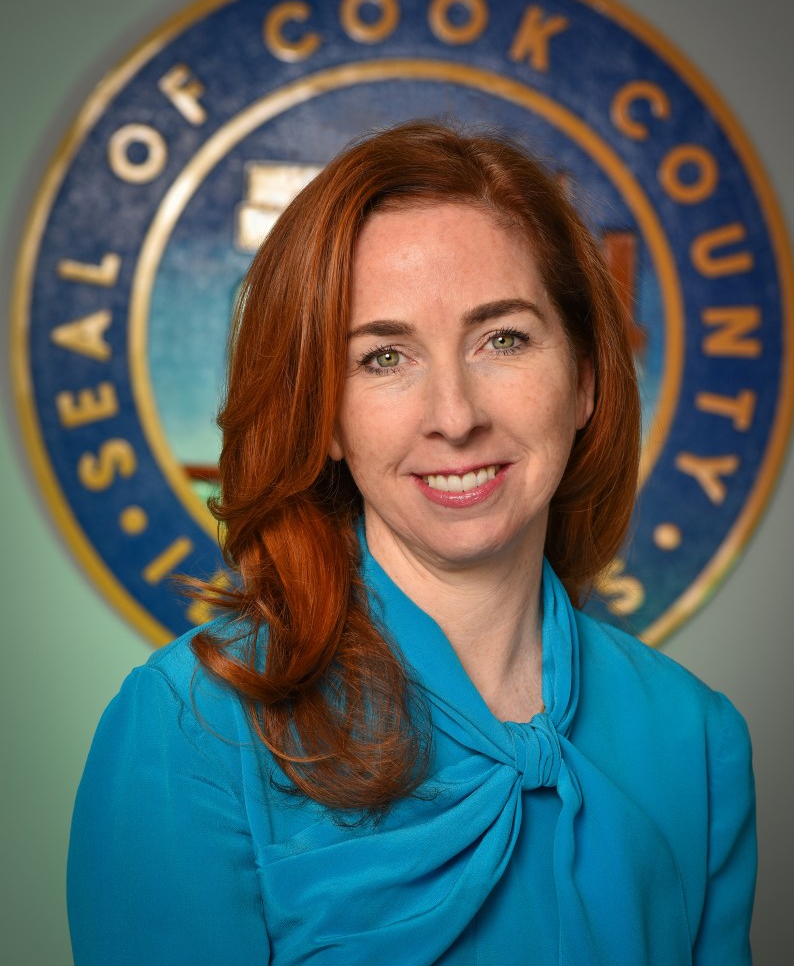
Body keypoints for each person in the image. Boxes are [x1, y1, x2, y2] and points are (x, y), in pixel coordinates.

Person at [67, 121, 756, 965]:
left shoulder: (696, 739)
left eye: (502, 338)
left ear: (583, 379)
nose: (454, 416)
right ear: (324, 416)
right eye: (384, 357)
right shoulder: (192, 727)